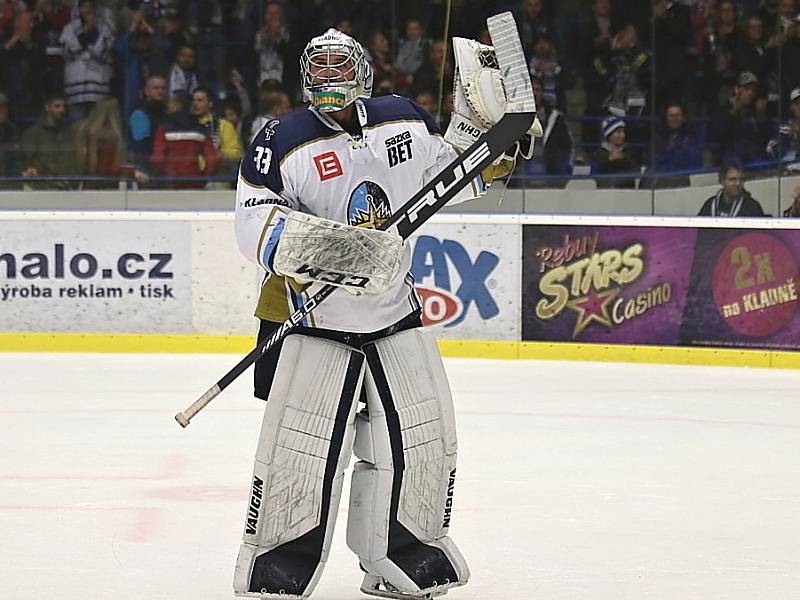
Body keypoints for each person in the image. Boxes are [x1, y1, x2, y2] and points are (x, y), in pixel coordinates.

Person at [232, 27, 521, 600]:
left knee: (420, 441)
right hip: (318, 326)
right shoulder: (278, 141)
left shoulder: (404, 120)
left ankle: (406, 556)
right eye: (321, 69)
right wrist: (341, 251)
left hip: (396, 318)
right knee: (301, 450)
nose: (330, 78)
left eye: (342, 66)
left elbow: (449, 180)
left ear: (364, 72)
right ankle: (277, 567)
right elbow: (255, 226)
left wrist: (491, 147)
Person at [59, 0, 114, 119]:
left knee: (96, 128)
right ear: (78, 9)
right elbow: (67, 53)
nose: (87, 10)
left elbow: (104, 53)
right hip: (75, 86)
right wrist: (84, 33)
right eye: (84, 6)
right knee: (77, 127)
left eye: (90, 6)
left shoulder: (104, 29)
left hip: (97, 86)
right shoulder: (69, 29)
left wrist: (92, 33)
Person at [21, 93, 78, 189]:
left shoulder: (70, 132)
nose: (61, 110)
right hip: (41, 187)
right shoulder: (32, 133)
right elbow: (28, 161)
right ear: (47, 107)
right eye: (57, 106)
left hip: (67, 186)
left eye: (64, 106)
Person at [129, 74, 167, 176]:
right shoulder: (140, 114)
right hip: (145, 167)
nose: (160, 91)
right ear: (146, 91)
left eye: (163, 88)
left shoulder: (166, 112)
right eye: (156, 88)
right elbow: (141, 148)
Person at [698, 163, 767, 216]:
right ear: (722, 181)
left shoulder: (752, 207)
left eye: (741, 179)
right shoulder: (710, 204)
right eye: (732, 179)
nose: (738, 183)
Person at [593, 115, 639, 188]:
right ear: (609, 134)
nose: (622, 135)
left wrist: (622, 159)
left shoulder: (629, 151)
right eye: (618, 132)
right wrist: (609, 159)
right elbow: (595, 173)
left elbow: (636, 171)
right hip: (606, 195)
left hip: (627, 194)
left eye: (623, 132)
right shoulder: (599, 153)